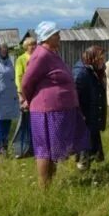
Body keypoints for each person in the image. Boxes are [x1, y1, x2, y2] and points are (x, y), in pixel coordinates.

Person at [21, 21, 90, 187]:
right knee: (45, 149)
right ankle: (44, 187)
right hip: (46, 110)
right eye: (56, 34)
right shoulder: (41, 55)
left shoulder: (52, 53)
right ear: (47, 37)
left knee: (55, 150)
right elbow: (26, 82)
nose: (59, 37)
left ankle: (50, 183)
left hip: (59, 109)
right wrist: (31, 100)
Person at [74, 45, 108, 169]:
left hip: (92, 113)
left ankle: (87, 168)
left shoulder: (93, 70)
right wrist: (80, 115)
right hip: (85, 115)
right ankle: (83, 171)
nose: (102, 61)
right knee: (85, 145)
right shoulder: (81, 73)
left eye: (103, 58)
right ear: (91, 58)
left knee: (91, 143)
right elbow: (75, 97)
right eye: (100, 59)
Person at [12, 37, 36, 157]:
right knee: (26, 121)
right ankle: (24, 147)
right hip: (26, 94)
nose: (33, 46)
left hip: (37, 93)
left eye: (34, 44)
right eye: (30, 45)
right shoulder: (21, 59)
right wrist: (21, 94)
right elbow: (18, 77)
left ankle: (35, 146)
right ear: (26, 47)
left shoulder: (38, 57)